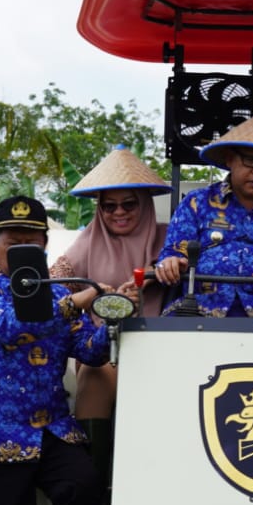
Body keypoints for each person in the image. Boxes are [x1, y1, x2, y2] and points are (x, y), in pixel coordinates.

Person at [0, 196, 108, 505]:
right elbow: (8, 327)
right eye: (13, 242)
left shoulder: (58, 291)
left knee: (83, 487)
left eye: (31, 242)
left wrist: (115, 312)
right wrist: (79, 301)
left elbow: (90, 350)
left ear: (44, 246)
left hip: (50, 428)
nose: (23, 249)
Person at [48, 146, 168, 449]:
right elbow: (52, 293)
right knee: (95, 378)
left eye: (129, 205)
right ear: (98, 209)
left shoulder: (169, 239)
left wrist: (155, 275)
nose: (119, 213)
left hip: (162, 344)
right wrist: (91, 296)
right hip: (103, 349)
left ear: (145, 205)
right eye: (108, 206)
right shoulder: (83, 245)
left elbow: (189, 269)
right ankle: (95, 480)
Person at [154, 115, 253, 317]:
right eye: (250, 160)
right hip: (196, 309)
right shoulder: (197, 203)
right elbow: (172, 253)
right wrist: (171, 263)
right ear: (230, 159)